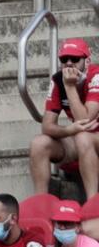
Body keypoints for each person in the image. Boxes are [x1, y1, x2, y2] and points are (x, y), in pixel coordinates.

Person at [35, 42, 99, 194]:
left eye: (75, 59)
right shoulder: (58, 80)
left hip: (91, 136)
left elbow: (85, 119)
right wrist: (69, 129)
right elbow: (47, 126)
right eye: (64, 60)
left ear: (87, 61)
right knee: (39, 144)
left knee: (83, 137)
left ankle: (92, 204)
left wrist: (69, 87)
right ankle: (40, 203)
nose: (69, 64)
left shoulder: (96, 75)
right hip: (82, 139)